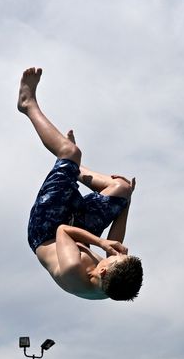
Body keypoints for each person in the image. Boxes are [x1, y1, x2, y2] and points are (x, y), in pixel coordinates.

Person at [17, 67, 142, 302]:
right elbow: (114, 244)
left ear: (103, 269)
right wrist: (127, 203)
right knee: (123, 189)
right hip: (80, 233)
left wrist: (102, 241)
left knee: (70, 151)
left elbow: (62, 231)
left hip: (47, 228)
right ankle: (72, 171)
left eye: (114, 257)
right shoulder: (111, 284)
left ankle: (28, 104)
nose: (116, 251)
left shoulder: (73, 270)